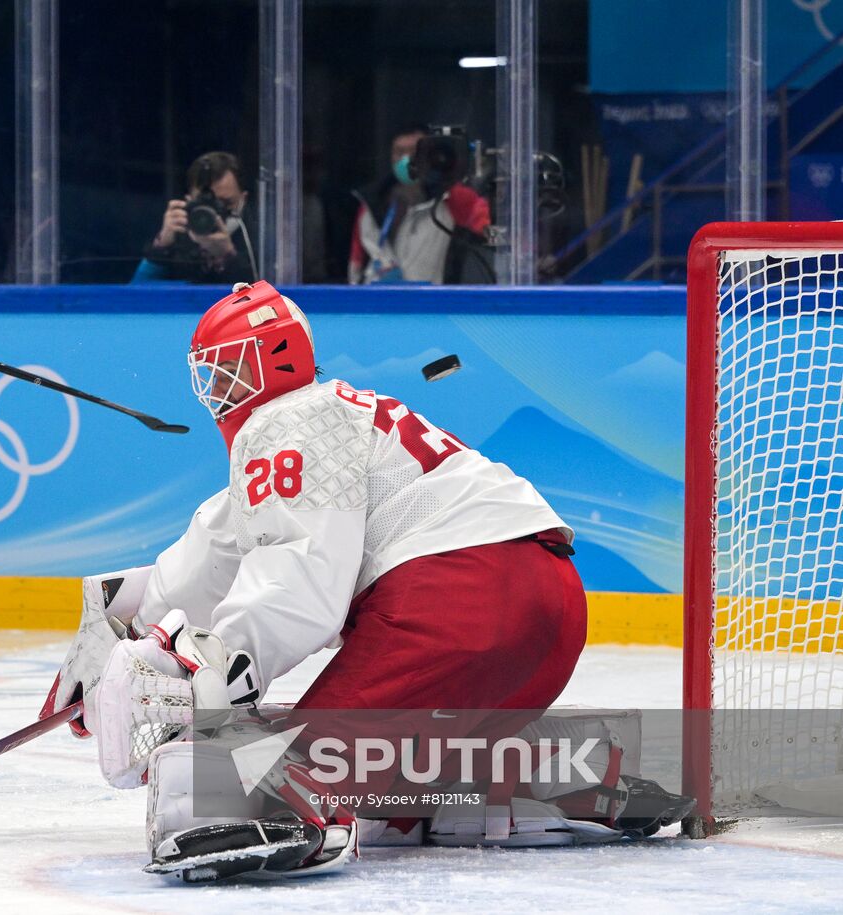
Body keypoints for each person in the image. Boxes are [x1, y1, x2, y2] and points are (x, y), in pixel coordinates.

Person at [43, 282, 692, 881]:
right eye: (211, 373)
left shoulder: (288, 423)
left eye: (230, 367)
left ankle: (290, 802)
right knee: (386, 777)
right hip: (545, 608)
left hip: (464, 600)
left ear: (275, 358)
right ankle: (559, 775)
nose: (220, 388)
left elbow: (299, 579)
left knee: (259, 774)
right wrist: (115, 619)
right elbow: (210, 557)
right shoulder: (329, 423)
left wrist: (202, 672)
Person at [350, 127, 493, 284]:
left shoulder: (453, 198)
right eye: (399, 152)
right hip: (382, 303)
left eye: (414, 151)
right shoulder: (371, 203)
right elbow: (356, 263)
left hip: (434, 303)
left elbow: (488, 231)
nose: (406, 159)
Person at [135, 151, 257, 285]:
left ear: (243, 200)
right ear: (188, 201)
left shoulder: (258, 241)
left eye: (225, 204)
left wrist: (228, 257)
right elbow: (136, 297)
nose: (215, 214)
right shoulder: (176, 234)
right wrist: (160, 248)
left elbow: (267, 301)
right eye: (205, 204)